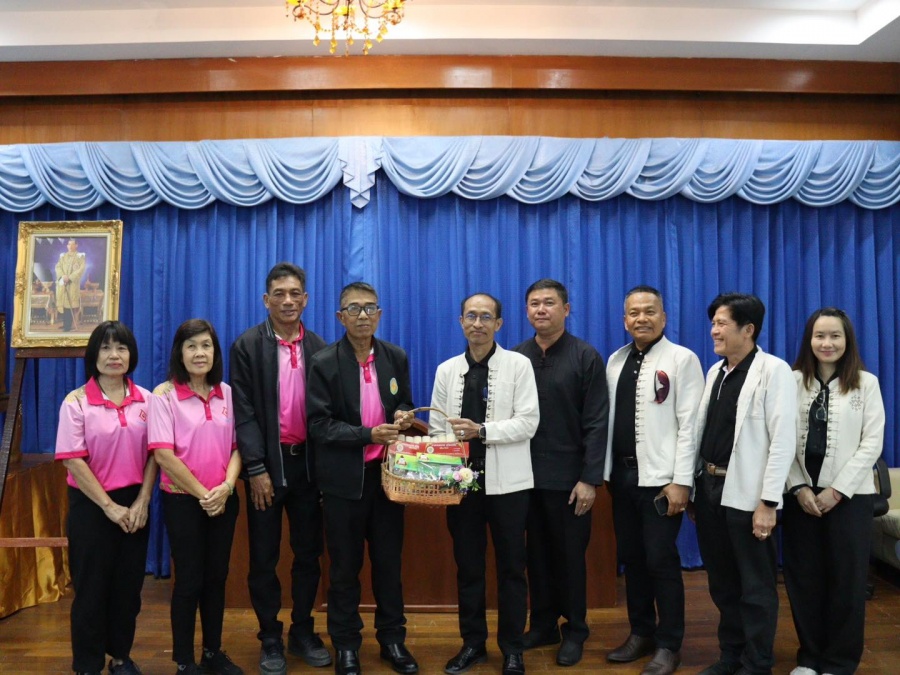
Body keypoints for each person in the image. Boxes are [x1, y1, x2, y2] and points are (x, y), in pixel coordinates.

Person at [307, 281, 418, 675]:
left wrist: (403, 414)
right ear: (340, 317)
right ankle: (346, 645)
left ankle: (392, 640)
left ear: (380, 315)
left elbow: (403, 401)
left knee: (389, 566)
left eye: (370, 308)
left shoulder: (395, 356)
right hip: (343, 483)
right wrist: (367, 435)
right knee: (343, 569)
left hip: (388, 481)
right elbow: (319, 425)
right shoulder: (323, 362)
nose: (362, 316)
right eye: (353, 309)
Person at [431, 293, 539, 675]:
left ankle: (512, 649)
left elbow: (529, 422)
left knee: (512, 568)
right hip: (463, 486)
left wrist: (482, 431)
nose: (478, 323)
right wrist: (445, 471)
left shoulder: (519, 365)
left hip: (509, 484)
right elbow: (437, 429)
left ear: (499, 324)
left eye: (486, 317)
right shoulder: (446, 370)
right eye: (471, 316)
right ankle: (472, 644)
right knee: (469, 567)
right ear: (461, 321)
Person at [230, 262, 330, 675]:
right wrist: (255, 468)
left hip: (308, 468)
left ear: (305, 299)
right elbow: (243, 412)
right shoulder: (247, 346)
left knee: (308, 555)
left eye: (294, 294)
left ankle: (302, 630)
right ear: (266, 300)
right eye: (279, 294)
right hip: (266, 469)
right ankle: (270, 636)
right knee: (263, 558)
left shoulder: (320, 348)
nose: (287, 301)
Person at [692, 293, 796, 675]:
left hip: (749, 496)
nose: (714, 331)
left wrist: (768, 502)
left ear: (748, 329)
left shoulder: (774, 370)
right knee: (722, 583)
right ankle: (731, 656)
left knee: (755, 586)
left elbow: (783, 440)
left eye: (721, 323)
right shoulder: (715, 372)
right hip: (710, 489)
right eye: (714, 323)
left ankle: (757, 663)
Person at [604, 286, 704, 675]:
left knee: (661, 560)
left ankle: (669, 644)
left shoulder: (682, 359)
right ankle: (641, 632)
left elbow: (690, 426)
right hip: (622, 476)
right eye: (633, 312)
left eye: (649, 311)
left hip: (662, 482)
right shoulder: (615, 360)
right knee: (632, 559)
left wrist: (682, 482)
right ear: (624, 319)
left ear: (663, 317)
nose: (641, 318)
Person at [782, 308, 885, 675]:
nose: (827, 343)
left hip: (850, 498)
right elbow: (780, 440)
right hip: (801, 498)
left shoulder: (866, 383)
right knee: (804, 579)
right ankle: (810, 658)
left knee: (847, 580)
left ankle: (839, 662)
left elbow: (871, 444)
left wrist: (836, 491)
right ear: (809, 340)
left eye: (835, 336)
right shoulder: (791, 381)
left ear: (847, 340)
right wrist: (798, 487)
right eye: (819, 336)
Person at [512, 279, 608, 667]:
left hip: (570, 480)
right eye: (534, 303)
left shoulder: (585, 356)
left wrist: (590, 479)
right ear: (526, 311)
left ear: (566, 309)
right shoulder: (516, 357)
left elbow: (597, 422)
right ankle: (543, 624)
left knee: (569, 558)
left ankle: (576, 629)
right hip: (523, 478)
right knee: (535, 556)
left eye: (549, 303)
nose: (541, 309)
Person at [55, 321, 157, 675]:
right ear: (93, 355)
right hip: (91, 504)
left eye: (121, 348)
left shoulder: (148, 400)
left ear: (131, 354)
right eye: (106, 348)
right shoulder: (76, 402)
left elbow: (156, 454)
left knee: (128, 588)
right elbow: (73, 459)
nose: (114, 355)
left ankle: (121, 657)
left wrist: (143, 500)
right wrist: (109, 506)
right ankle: (87, 663)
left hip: (135, 503)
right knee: (91, 588)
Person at [149, 319, 244, 675]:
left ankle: (213, 652)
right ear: (180, 352)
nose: (199, 353)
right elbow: (164, 455)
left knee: (216, 578)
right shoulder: (163, 395)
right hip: (184, 502)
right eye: (191, 346)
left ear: (215, 352)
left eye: (206, 345)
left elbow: (238, 447)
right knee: (189, 580)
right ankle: (185, 661)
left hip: (223, 499)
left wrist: (228, 487)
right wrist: (205, 495)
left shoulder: (227, 393)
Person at [56, 238, 86, 331]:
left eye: (72, 244)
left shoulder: (80, 257)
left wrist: (70, 277)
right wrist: (63, 276)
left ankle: (68, 326)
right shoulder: (63, 256)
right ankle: (65, 324)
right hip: (63, 283)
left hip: (72, 284)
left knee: (70, 304)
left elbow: (81, 269)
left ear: (76, 245)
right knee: (64, 304)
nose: (70, 246)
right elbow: (58, 267)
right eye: (69, 244)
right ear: (67, 246)